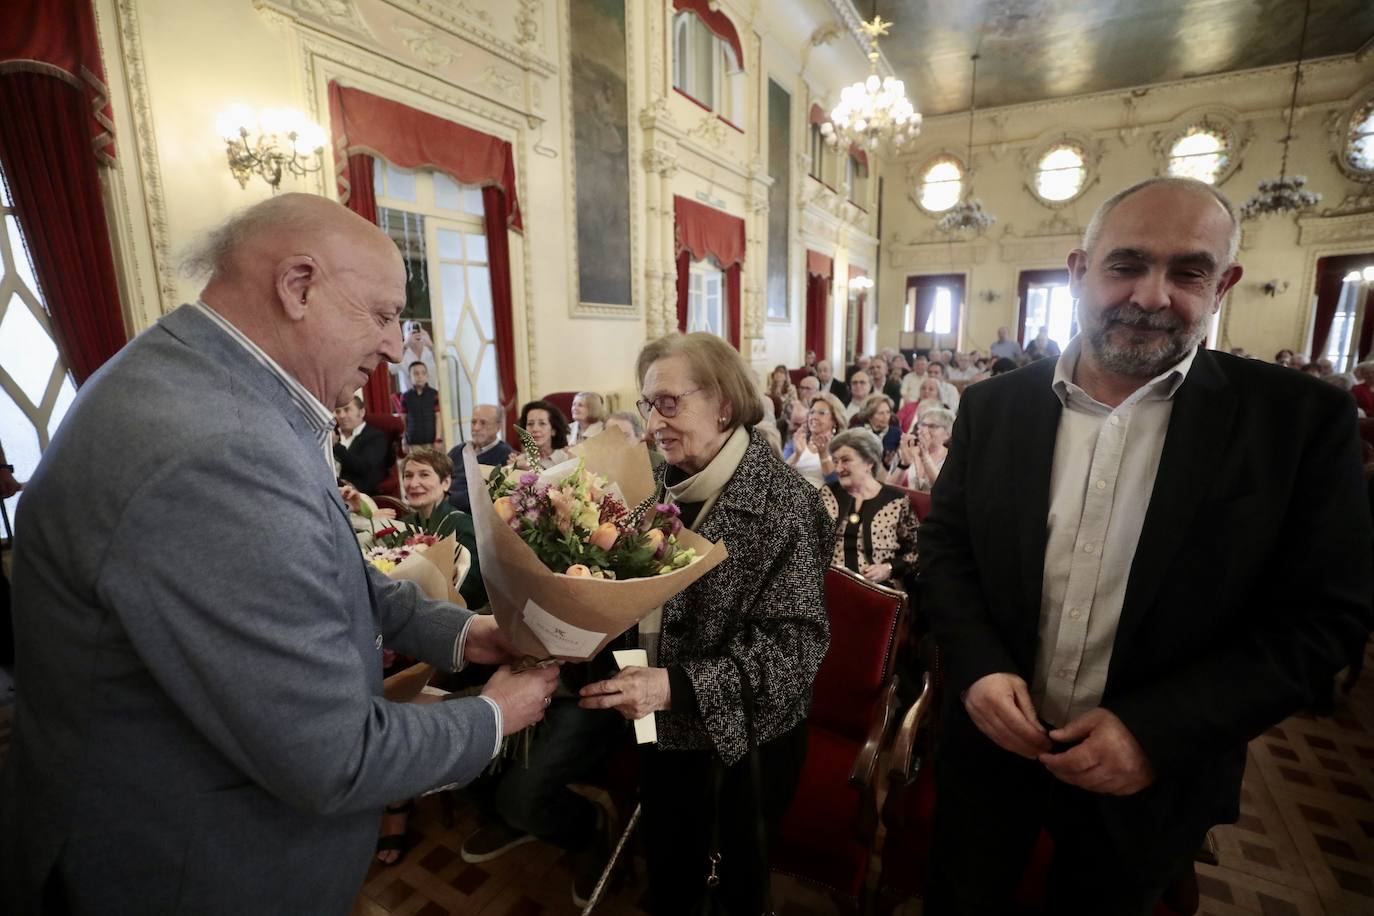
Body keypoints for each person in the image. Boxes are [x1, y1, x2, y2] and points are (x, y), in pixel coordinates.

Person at [0, 194, 561, 915]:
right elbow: (338, 756)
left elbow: (329, 570)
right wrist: (495, 717)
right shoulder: (220, 451)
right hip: (191, 871)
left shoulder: (201, 378)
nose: (396, 347)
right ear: (298, 286)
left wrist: (461, 632)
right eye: (385, 314)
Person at [919, 177, 1372, 916]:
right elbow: (945, 551)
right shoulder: (994, 406)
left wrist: (1156, 734)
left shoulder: (1298, 422)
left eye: (1188, 271)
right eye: (1125, 265)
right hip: (990, 754)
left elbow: (1325, 618)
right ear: (1077, 272)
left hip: (1155, 779)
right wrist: (976, 668)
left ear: (1223, 285)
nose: (1153, 295)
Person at [579, 332, 830, 915]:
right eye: (648, 405)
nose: (654, 423)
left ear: (723, 402)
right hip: (658, 721)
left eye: (669, 402)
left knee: (730, 884)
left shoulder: (785, 504)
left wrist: (674, 687)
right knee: (672, 864)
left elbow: (796, 649)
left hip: (740, 744)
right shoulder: (659, 485)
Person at [820, 429, 920, 591]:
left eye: (845, 460)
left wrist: (889, 568)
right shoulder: (828, 493)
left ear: (869, 462)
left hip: (878, 590)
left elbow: (918, 551)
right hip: (829, 585)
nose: (838, 468)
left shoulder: (896, 501)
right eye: (835, 461)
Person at [446, 404, 515, 513]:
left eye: (483, 423)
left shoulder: (507, 456)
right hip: (446, 510)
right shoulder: (458, 450)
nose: (476, 428)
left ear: (498, 426)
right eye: (473, 422)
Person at [333, 394, 391, 495]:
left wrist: (336, 446)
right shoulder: (331, 434)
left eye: (347, 410)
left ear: (361, 412)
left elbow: (364, 467)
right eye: (338, 411)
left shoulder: (375, 437)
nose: (341, 415)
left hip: (356, 494)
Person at [889, 407, 954, 492]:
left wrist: (925, 456)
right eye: (923, 425)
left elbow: (942, 489)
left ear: (947, 434)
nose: (924, 430)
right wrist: (903, 464)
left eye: (932, 426)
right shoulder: (908, 450)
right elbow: (889, 488)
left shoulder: (952, 459)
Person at [509, 399, 570, 468]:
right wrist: (513, 468)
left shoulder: (567, 459)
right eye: (530, 424)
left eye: (542, 423)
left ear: (553, 430)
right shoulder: (520, 462)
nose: (535, 429)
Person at [393, 319, 437, 394]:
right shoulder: (402, 353)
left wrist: (431, 346)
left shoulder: (430, 351)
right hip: (409, 400)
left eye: (417, 328)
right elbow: (391, 369)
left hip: (431, 397)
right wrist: (405, 345)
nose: (414, 332)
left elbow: (445, 366)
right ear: (404, 334)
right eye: (410, 329)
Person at [401, 360, 439, 447]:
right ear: (410, 377)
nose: (420, 376)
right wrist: (404, 438)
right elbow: (403, 419)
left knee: (431, 460)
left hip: (431, 440)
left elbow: (438, 417)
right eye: (416, 373)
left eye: (423, 373)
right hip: (413, 440)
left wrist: (438, 438)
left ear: (427, 376)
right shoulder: (405, 396)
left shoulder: (434, 394)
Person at [856, 393, 901, 464]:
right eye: (880, 413)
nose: (886, 417)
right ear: (869, 415)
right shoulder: (858, 433)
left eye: (888, 412)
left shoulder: (897, 434)